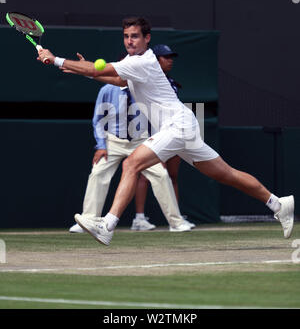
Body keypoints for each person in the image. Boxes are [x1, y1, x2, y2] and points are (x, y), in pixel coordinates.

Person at [38, 16, 295, 246]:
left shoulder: (143, 61)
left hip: (177, 126)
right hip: (183, 125)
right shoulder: (132, 61)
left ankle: (107, 225)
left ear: (147, 38)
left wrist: (57, 59)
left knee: (131, 164)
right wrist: (85, 71)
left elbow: (99, 69)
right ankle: (278, 203)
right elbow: (117, 79)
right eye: (126, 36)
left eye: (135, 36)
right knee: (226, 174)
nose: (130, 41)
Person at [67, 55, 193, 233]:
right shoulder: (107, 90)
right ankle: (88, 220)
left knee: (161, 176)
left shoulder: (144, 88)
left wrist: (159, 147)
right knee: (98, 172)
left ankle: (176, 222)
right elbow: (98, 120)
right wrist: (101, 145)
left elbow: (157, 117)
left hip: (141, 140)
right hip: (114, 141)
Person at [136, 43, 195, 228]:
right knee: (147, 175)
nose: (170, 60)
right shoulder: (146, 79)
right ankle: (139, 218)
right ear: (156, 59)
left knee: (172, 175)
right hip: (153, 134)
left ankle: (176, 219)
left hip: (173, 131)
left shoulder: (171, 82)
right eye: (166, 57)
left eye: (171, 57)